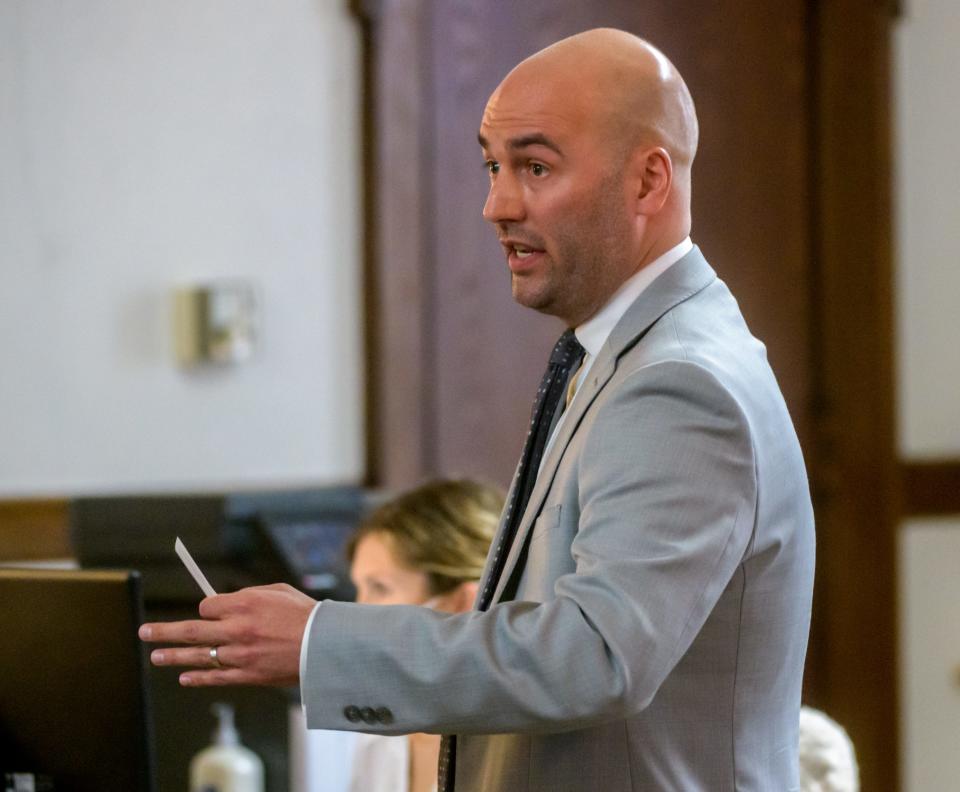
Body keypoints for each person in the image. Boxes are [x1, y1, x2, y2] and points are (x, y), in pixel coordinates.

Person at [140, 28, 816, 791]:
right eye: (492, 166)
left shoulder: (680, 382)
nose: (496, 205)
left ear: (648, 181)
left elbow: (595, 657)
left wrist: (322, 644)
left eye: (534, 166)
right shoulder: (625, 354)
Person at [343, 479, 502, 792]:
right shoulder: (379, 731)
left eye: (380, 588)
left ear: (461, 604)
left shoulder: (513, 751)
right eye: (359, 589)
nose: (355, 613)